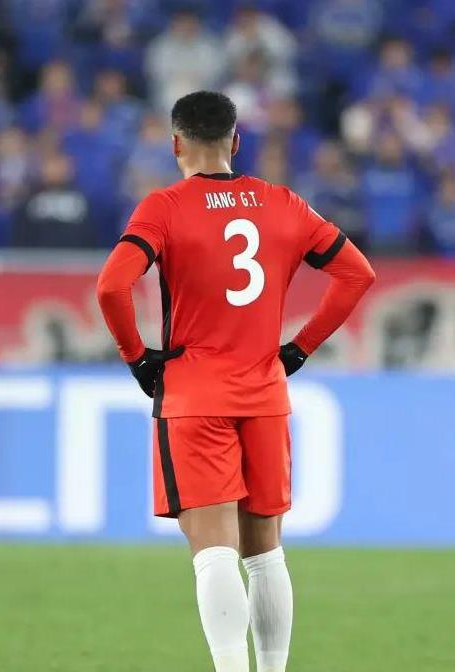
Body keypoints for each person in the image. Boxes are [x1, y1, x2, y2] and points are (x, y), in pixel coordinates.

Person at [95, 91, 376, 672]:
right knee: (266, 555)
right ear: (236, 142)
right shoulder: (282, 202)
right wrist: (300, 347)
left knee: (214, 552)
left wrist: (137, 357)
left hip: (195, 394)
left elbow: (112, 286)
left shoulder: (163, 207)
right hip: (265, 392)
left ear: (176, 144)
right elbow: (357, 274)